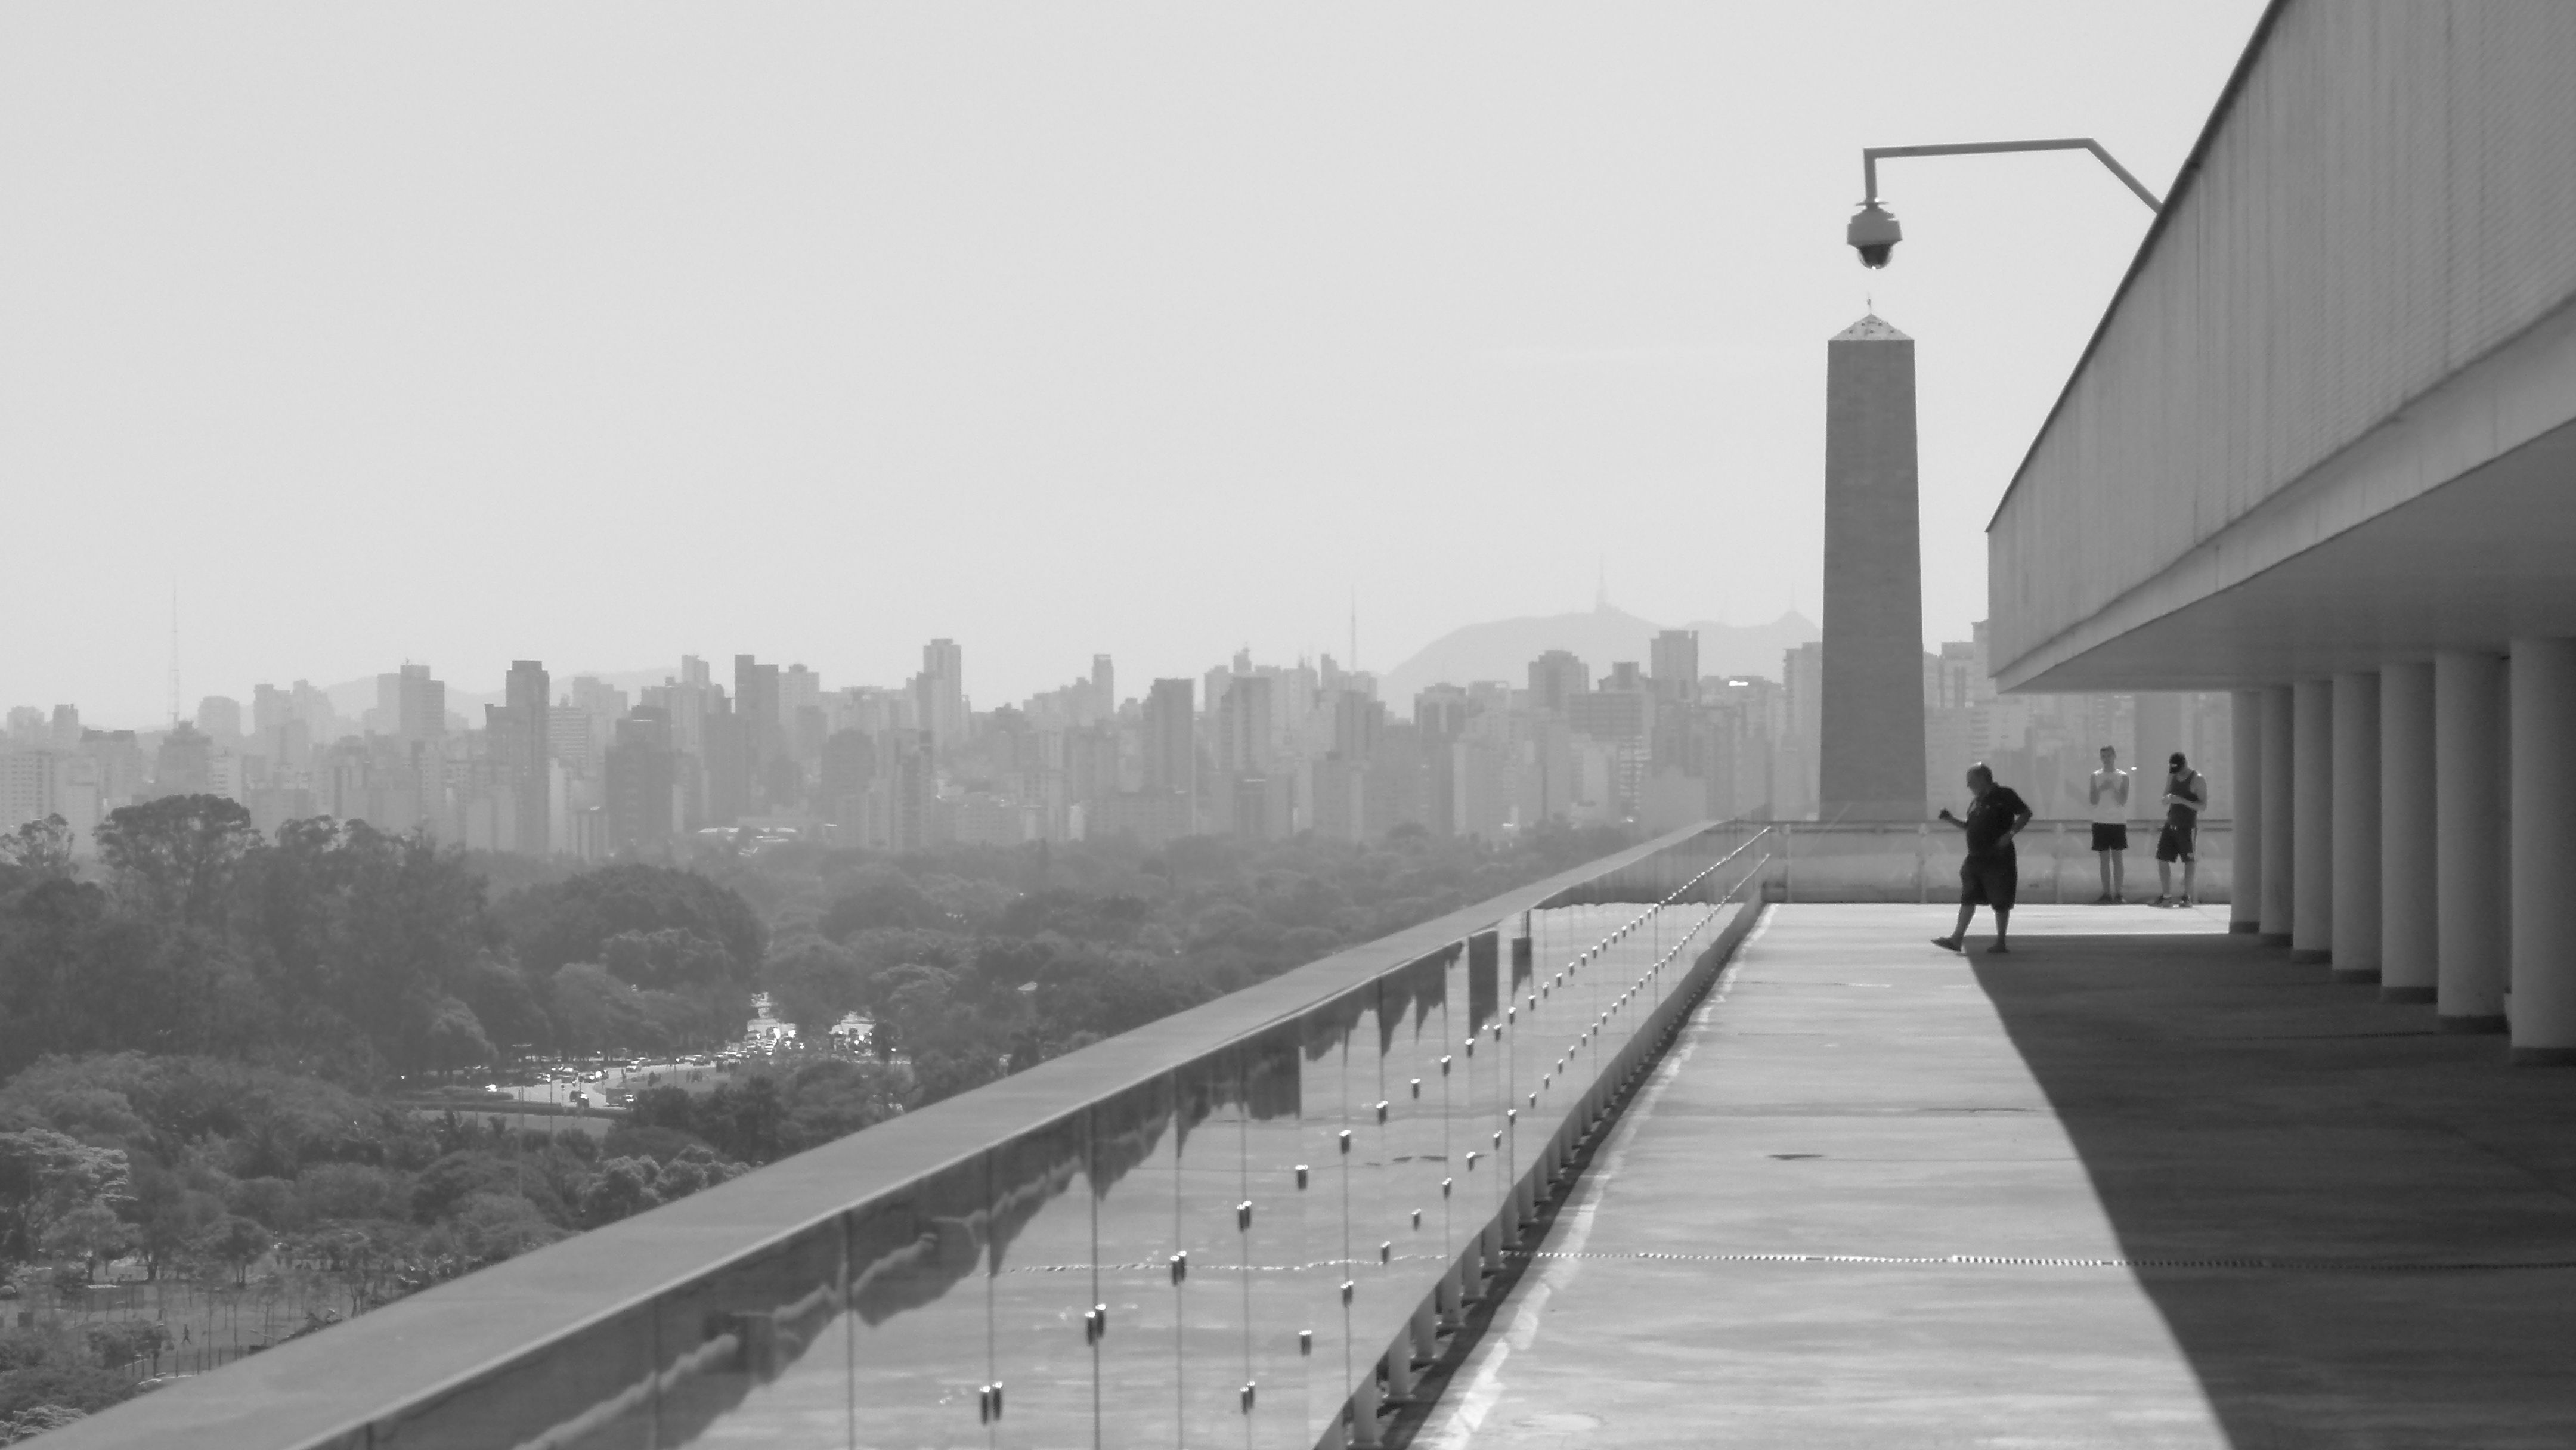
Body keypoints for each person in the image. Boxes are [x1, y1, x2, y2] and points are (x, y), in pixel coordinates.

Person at [1933, 762, 2032, 954]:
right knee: (1968, 897)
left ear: (1982, 779)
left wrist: (2010, 834)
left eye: (1970, 781)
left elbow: (2026, 813)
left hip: (1998, 857)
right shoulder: (1976, 801)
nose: (1968, 786)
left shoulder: (2005, 795)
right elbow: (1969, 826)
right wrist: (1950, 819)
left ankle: (2001, 942)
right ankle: (1956, 938)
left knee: (2001, 900)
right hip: (1975, 858)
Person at [2154, 751, 2205, 907]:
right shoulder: (2173, 776)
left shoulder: (2197, 779)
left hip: (2187, 825)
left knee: (2189, 861)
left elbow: (2202, 806)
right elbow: (2164, 798)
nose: (2177, 773)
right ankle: (2167, 896)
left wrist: (2182, 801)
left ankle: (2186, 896)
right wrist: (2168, 799)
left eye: (2179, 770)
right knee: (2162, 859)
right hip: (2171, 823)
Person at [2088, 744, 2131, 904]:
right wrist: (2100, 789)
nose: (2106, 760)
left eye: (2108, 756)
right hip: (2100, 820)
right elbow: (2093, 801)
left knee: (2118, 859)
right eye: (2103, 757)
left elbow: (2123, 801)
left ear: (2114, 756)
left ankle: (2119, 893)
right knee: (2104, 859)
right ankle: (2106, 893)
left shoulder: (2123, 776)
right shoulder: (2095, 776)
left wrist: (2113, 787)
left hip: (2118, 821)